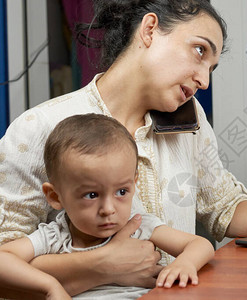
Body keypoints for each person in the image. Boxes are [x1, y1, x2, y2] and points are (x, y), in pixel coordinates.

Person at [0, 0, 247, 297]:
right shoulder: (41, 128)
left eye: (212, 68)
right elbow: (5, 266)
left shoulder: (188, 119)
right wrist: (100, 266)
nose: (203, 79)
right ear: (150, 29)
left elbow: (221, 206)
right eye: (199, 51)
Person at [0, 114, 215, 299]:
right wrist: (50, 285)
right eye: (92, 195)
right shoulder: (55, 236)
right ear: (55, 196)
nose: (108, 209)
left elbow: (200, 245)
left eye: (122, 192)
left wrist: (185, 264)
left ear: (134, 184)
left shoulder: (138, 225)